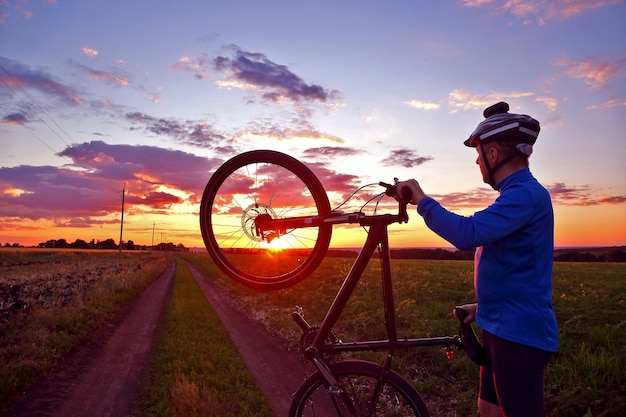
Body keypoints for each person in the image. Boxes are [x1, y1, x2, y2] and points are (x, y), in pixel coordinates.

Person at [397, 102, 558, 417]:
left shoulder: (525, 195)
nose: (477, 161)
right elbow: (514, 266)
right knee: (488, 406)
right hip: (501, 325)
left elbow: (467, 233)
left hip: (519, 334)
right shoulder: (515, 196)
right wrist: (484, 308)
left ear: (494, 155)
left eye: (478, 153)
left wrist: (421, 199)